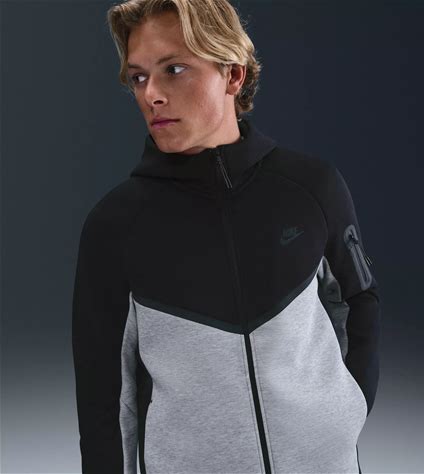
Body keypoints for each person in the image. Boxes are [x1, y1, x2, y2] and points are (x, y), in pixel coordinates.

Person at [71, 0, 381, 473]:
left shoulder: (312, 188)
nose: (151, 94)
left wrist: (344, 412)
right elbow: (102, 398)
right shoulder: (115, 225)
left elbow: (359, 300)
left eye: (174, 69)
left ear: (233, 74)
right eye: (138, 77)